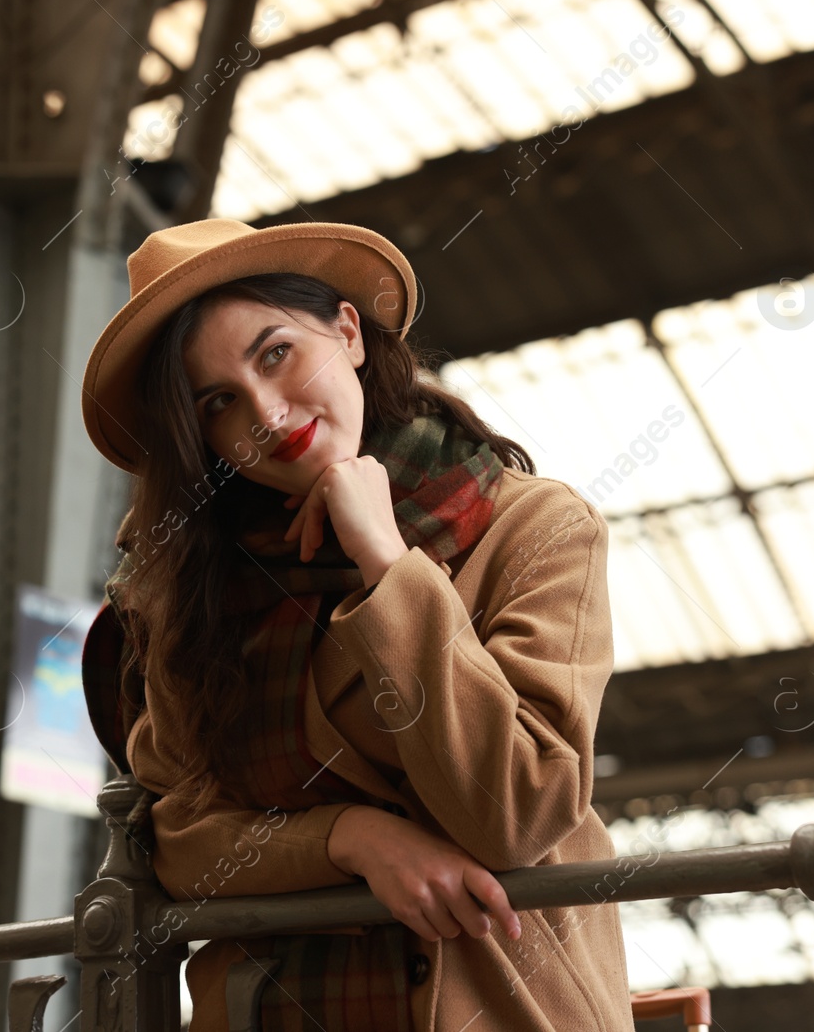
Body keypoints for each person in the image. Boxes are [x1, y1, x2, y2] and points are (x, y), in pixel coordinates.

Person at [78, 218, 635, 1032]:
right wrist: (352, 839)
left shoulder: (536, 528)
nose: (265, 414)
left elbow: (516, 808)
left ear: (348, 331)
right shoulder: (195, 592)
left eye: (276, 353)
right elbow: (176, 838)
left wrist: (388, 563)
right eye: (219, 402)